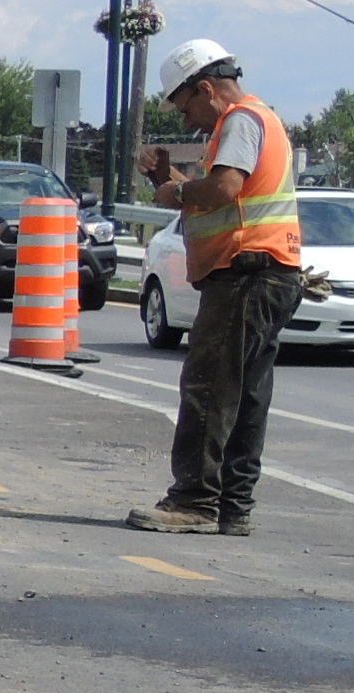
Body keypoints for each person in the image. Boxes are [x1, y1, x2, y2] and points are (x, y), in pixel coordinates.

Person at [129, 36, 304, 536]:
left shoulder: (240, 121)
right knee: (246, 394)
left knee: (209, 387)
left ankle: (195, 501)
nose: (186, 120)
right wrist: (171, 179)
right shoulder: (256, 121)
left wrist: (177, 190)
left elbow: (223, 189)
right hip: (268, 273)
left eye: (185, 107)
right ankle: (233, 505)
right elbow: (228, 197)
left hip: (246, 274)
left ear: (206, 89)